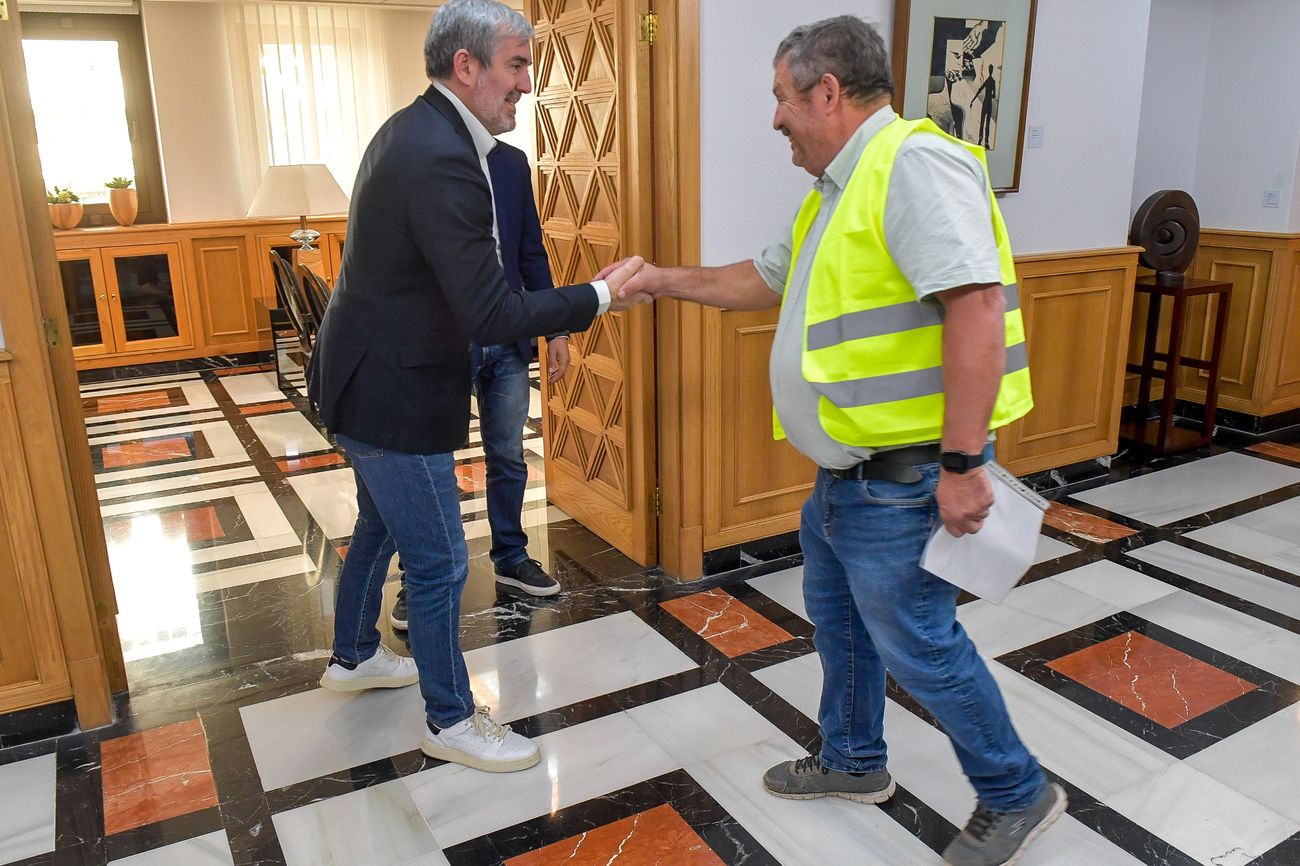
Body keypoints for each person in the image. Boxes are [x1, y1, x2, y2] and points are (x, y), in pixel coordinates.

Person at [604, 15, 1063, 866]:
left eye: (783, 98)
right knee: (842, 628)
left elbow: (976, 308)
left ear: (827, 92)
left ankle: (1015, 790)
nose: (775, 118)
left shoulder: (913, 166)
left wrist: (964, 464)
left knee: (920, 646)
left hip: (910, 478)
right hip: (847, 478)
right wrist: (662, 281)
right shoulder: (836, 190)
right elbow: (764, 278)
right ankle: (854, 761)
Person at [307, 0, 645, 774]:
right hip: (392, 397)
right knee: (440, 563)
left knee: (379, 528)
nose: (529, 82)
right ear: (468, 67)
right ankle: (451, 719)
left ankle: (355, 654)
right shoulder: (439, 154)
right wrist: (596, 297)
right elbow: (489, 309)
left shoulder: (413, 128)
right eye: (518, 64)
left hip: (362, 380)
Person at [390, 138, 566, 633]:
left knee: (508, 456)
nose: (520, 87)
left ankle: (511, 557)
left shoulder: (511, 164)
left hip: (507, 340)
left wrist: (554, 329)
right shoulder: (425, 154)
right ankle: (418, 578)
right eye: (513, 69)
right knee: (432, 465)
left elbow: (531, 250)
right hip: (442, 345)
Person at [971, 64, 997, 148]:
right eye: (990, 69)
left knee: (983, 122)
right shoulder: (992, 81)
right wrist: (973, 100)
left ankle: (980, 140)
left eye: (990, 69)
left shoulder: (988, 81)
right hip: (989, 103)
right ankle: (986, 142)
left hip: (986, 103)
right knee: (987, 123)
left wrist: (973, 100)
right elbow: (994, 95)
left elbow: (979, 90)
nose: (990, 70)